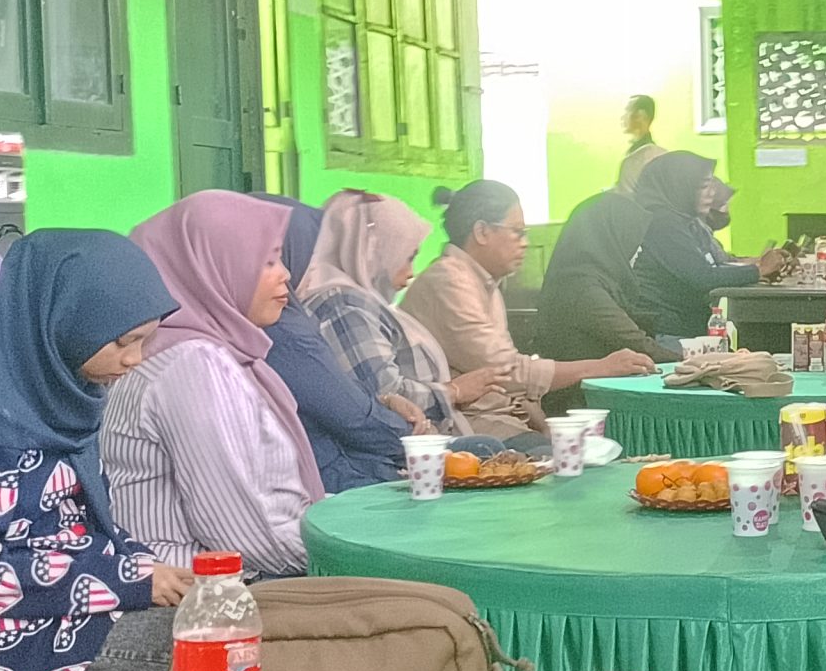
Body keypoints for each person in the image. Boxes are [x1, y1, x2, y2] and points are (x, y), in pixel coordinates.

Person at [0, 230, 193, 671]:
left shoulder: (53, 405)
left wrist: (147, 569)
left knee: (241, 614)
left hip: (75, 618)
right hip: (10, 650)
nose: (135, 359)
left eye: (145, 341)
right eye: (124, 341)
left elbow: (83, 529)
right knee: (233, 643)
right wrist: (128, 581)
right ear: (61, 322)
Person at [104, 192, 323, 580]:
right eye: (268, 260)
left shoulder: (207, 353)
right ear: (212, 268)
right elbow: (247, 537)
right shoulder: (191, 365)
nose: (286, 274)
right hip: (204, 594)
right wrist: (345, 553)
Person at [405, 180, 653, 440]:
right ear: (482, 232)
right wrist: (601, 367)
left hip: (504, 418)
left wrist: (544, 426)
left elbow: (510, 379)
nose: (525, 243)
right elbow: (507, 371)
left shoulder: (484, 281)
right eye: (517, 232)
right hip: (469, 427)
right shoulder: (450, 281)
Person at [298, 190, 492, 442]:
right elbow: (384, 395)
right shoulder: (343, 306)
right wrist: (454, 392)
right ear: (371, 252)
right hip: (404, 450)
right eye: (406, 257)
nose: (411, 272)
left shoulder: (360, 300)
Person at [254, 195, 415, 493]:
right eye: (270, 260)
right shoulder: (285, 330)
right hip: (335, 481)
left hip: (340, 470)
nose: (287, 273)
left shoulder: (283, 319)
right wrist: (410, 433)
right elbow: (354, 419)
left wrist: (385, 403)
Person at [631, 151, 787, 340]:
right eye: (703, 186)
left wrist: (760, 267)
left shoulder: (687, 221)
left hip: (684, 325)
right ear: (680, 187)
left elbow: (714, 264)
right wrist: (758, 270)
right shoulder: (663, 223)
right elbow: (701, 276)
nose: (712, 194)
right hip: (665, 330)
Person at [539, 190, 674, 364]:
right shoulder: (584, 288)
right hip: (588, 381)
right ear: (612, 237)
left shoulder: (586, 277)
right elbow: (636, 344)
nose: (639, 249)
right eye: (631, 238)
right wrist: (692, 360)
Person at [618, 94, 664, 192]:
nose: (622, 117)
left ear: (641, 116)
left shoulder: (649, 157)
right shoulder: (635, 154)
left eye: (627, 111)